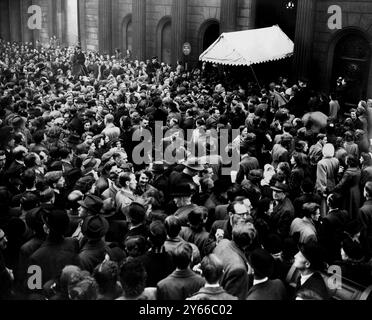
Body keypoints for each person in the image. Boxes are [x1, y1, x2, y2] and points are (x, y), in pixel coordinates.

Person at [213, 223, 257, 300]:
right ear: (250, 242)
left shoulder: (223, 242)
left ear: (233, 235)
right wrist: (248, 278)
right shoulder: (239, 269)